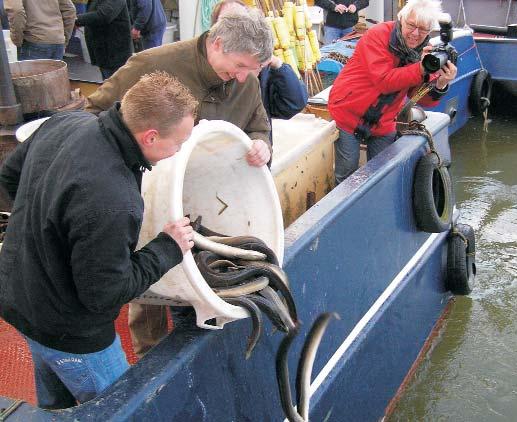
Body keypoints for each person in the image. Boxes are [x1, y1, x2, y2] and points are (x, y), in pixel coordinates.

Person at [0, 71, 197, 409]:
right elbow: (103, 294)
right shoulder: (114, 198)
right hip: (73, 334)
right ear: (150, 137)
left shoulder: (67, 122)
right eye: (177, 144)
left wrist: (46, 231)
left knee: (56, 405)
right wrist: (167, 248)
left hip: (18, 296)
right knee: (121, 409)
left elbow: (9, 176)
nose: (178, 151)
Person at [84, 9, 274, 358]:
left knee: (201, 282)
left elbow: (258, 125)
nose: (245, 77)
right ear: (217, 44)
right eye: (241, 66)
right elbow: (92, 115)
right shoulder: (152, 65)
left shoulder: (247, 81)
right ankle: (148, 357)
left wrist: (262, 144)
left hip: (209, 202)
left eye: (255, 70)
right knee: (147, 285)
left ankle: (198, 346)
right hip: (147, 200)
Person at [328, 0, 457, 185]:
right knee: (347, 174)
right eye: (411, 25)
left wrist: (440, 85)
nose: (415, 34)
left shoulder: (425, 53)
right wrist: (420, 69)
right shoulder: (378, 35)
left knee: (383, 174)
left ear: (430, 32)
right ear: (401, 19)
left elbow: (417, 97)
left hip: (383, 121)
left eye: (423, 30)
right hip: (348, 112)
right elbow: (384, 81)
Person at [211, 1, 308, 130]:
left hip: (259, 146)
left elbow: (292, 105)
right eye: (227, 22)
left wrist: (278, 66)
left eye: (240, 21)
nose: (234, 28)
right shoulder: (207, 67)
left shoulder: (261, 66)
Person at [75, 0, 133, 80]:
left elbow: (104, 15)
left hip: (115, 55)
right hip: (105, 54)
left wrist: (76, 20)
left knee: (117, 87)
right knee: (108, 85)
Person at [4, 0, 75, 60]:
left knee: (30, 76)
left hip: (33, 40)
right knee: (53, 76)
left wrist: (16, 40)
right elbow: (70, 10)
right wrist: (64, 38)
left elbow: (16, 11)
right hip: (56, 40)